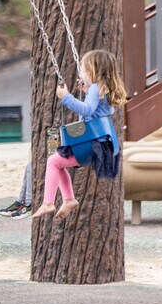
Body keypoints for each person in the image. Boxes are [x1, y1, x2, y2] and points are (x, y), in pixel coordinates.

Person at [32, 49, 127, 220]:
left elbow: (87, 109)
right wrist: (86, 90)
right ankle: (68, 199)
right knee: (58, 163)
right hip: (102, 144)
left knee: (52, 162)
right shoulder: (102, 89)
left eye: (83, 70)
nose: (81, 74)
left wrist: (66, 97)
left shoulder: (96, 88)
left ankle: (49, 202)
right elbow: (95, 110)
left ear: (93, 70)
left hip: (92, 142)